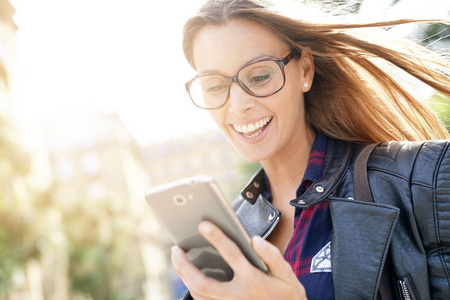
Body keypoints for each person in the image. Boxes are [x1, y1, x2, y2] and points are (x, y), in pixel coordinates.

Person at [170, 0, 450, 299]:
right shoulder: (230, 236)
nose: (238, 106)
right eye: (214, 85)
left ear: (305, 70)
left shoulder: (422, 179)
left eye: (260, 76)